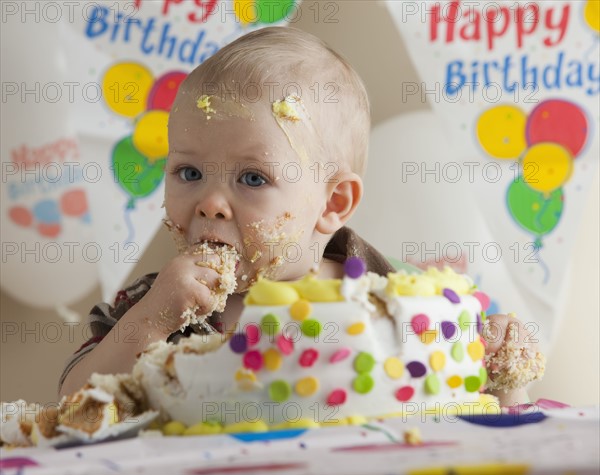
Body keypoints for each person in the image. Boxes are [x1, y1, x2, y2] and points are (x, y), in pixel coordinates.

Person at [59, 27, 538, 406]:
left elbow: (476, 413)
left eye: (251, 178)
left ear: (333, 203)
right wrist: (147, 323)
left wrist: (503, 371)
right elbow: (71, 408)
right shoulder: (153, 306)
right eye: (188, 171)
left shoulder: (397, 295)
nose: (210, 203)